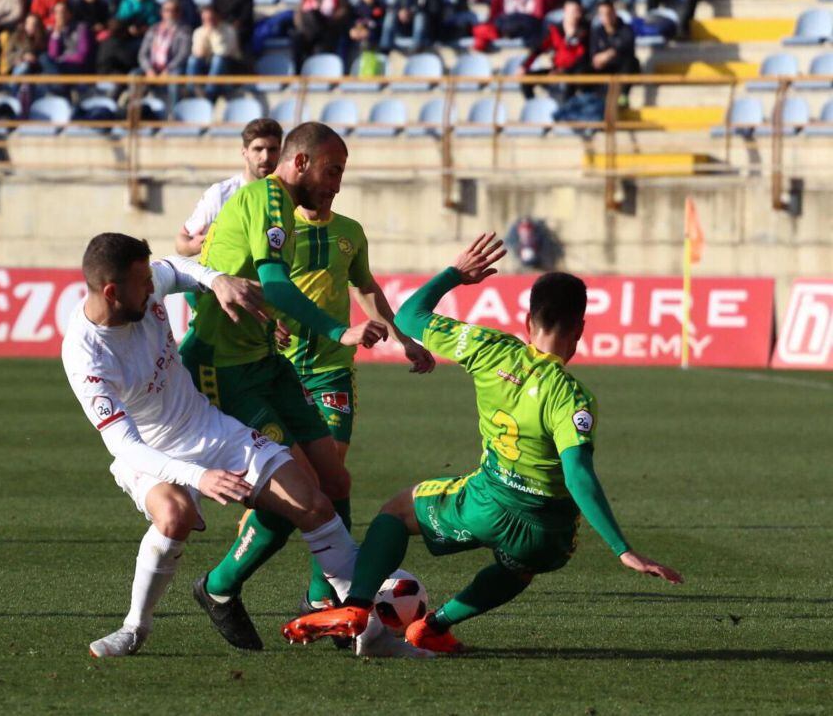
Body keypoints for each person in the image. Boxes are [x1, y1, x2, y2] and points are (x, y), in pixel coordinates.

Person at [284, 234, 683, 657]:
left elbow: (411, 314)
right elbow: (578, 474)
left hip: (487, 503)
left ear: (529, 323)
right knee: (521, 568)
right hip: (549, 533)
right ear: (580, 329)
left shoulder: (491, 350)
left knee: (398, 511)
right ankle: (434, 627)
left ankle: (358, 606)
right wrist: (622, 550)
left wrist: (455, 274)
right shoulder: (572, 397)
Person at [64, 233, 363, 657]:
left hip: (208, 427)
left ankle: (365, 616)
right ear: (112, 292)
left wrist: (218, 280)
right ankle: (135, 627)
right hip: (150, 451)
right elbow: (125, 445)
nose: (153, 290)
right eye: (142, 283)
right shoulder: (85, 356)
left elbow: (177, 267)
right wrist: (198, 477)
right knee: (175, 516)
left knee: (314, 505)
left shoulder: (145, 288)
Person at [180, 122, 396, 653]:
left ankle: (332, 600)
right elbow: (272, 282)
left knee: (334, 482)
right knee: (300, 494)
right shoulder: (269, 200)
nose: (338, 184)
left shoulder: (287, 211)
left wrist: (264, 319)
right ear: (300, 163)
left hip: (266, 361)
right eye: (332, 170)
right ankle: (224, 587)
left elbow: (250, 281)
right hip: (224, 371)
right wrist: (335, 329)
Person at [279, 191, 436, 615]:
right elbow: (257, 284)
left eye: (338, 172)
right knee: (297, 479)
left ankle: (320, 592)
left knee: (332, 471)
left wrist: (404, 340)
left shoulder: (349, 232)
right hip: (279, 367)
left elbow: (365, 287)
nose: (332, 182)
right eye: (327, 170)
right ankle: (230, 579)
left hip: (333, 367)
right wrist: (266, 321)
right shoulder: (278, 228)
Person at [176, 117, 283, 257]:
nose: (265, 156)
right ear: (244, 152)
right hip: (228, 276)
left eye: (272, 149)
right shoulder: (221, 194)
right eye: (258, 149)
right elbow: (181, 241)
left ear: (280, 152)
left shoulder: (288, 194)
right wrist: (192, 246)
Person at [517, 0, 589, 101]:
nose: (576, 15)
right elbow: (539, 48)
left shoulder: (585, 31)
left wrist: (563, 71)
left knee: (570, 82)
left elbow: (582, 57)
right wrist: (524, 65)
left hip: (573, 74)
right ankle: (533, 105)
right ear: (565, 11)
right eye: (573, 11)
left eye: (578, 11)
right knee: (527, 79)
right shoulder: (555, 30)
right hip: (556, 70)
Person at [138, 0, 192, 106]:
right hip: (152, 68)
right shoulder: (153, 29)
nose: (170, 14)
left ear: (179, 13)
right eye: (167, 10)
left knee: (174, 79)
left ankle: (173, 114)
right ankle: (134, 114)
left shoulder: (184, 30)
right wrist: (148, 70)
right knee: (134, 75)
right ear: (162, 12)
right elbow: (142, 54)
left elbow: (183, 54)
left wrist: (168, 70)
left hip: (172, 69)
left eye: (174, 10)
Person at [589, 0, 639, 106]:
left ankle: (623, 95)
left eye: (608, 13)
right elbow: (593, 54)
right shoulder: (597, 32)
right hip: (605, 69)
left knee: (629, 61)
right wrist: (597, 59)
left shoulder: (626, 28)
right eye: (602, 14)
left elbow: (627, 45)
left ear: (614, 13)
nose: (606, 17)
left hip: (623, 68)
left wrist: (609, 54)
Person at [187, 5, 241, 101]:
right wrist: (205, 36)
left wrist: (214, 34)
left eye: (211, 18)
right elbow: (198, 53)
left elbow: (222, 52)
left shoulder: (229, 30)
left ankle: (208, 94)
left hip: (229, 67)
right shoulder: (199, 31)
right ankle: (193, 92)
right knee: (192, 60)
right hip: (208, 68)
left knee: (218, 59)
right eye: (205, 19)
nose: (208, 21)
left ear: (218, 17)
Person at [472, 0, 556, 53]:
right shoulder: (499, 2)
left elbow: (541, 18)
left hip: (532, 27)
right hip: (505, 27)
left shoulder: (541, 1)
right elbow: (492, 20)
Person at [379, 0, 443, 54]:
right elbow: (390, 4)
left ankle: (418, 48)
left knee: (420, 17)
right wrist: (399, 11)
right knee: (390, 16)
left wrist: (411, 12)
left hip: (414, 17)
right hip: (399, 20)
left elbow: (423, 5)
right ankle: (385, 49)